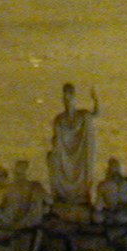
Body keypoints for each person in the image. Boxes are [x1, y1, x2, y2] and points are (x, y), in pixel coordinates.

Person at [47, 82, 99, 216]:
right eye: (65, 98)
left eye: (70, 97)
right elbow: (56, 139)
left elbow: (96, 113)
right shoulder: (59, 119)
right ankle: (61, 196)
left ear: (74, 98)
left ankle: (81, 197)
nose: (67, 101)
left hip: (80, 156)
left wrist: (95, 99)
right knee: (51, 159)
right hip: (64, 155)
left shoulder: (82, 115)